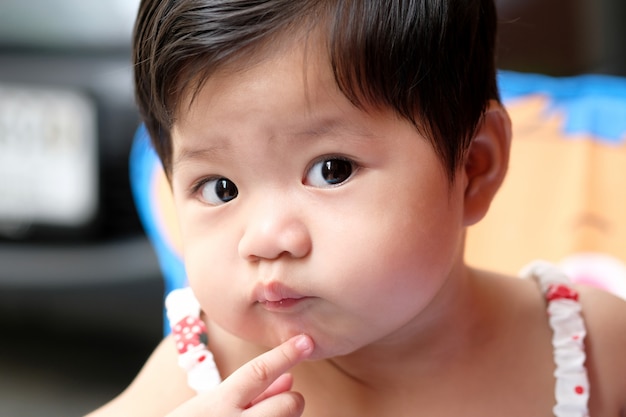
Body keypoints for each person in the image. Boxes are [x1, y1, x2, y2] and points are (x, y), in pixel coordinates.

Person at [88, 0, 626, 416]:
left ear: (474, 167)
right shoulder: (205, 377)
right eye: (219, 187)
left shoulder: (587, 345)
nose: (266, 239)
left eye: (332, 169)